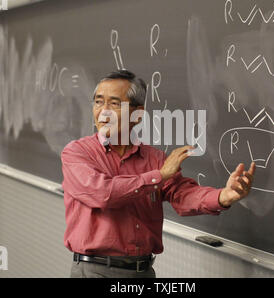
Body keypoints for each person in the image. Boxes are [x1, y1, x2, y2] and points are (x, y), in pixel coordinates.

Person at [61, 70, 256, 278]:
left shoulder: (154, 159)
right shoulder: (77, 152)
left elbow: (183, 195)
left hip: (143, 272)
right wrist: (158, 176)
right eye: (98, 102)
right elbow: (102, 193)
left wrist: (222, 196)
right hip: (95, 271)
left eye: (114, 104)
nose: (103, 112)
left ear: (138, 115)